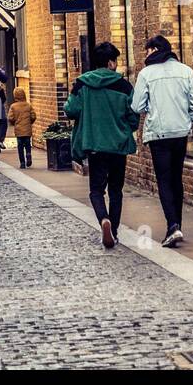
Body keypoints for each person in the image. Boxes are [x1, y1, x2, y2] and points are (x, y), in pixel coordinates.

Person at [131, 34, 193, 248]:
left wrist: (152, 109)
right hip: (180, 133)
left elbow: (137, 107)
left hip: (159, 134)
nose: (146, 55)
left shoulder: (146, 74)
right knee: (176, 178)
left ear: (154, 50)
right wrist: (186, 121)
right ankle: (178, 225)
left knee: (164, 180)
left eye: (148, 51)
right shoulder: (186, 71)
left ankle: (173, 226)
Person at [64, 42, 140, 248]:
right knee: (116, 190)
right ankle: (113, 230)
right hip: (118, 145)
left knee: (96, 190)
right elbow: (134, 117)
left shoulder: (82, 84)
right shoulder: (124, 86)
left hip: (94, 144)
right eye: (115, 61)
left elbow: (70, 110)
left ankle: (103, 219)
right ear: (110, 62)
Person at [6, 87, 37, 169]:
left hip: (18, 130)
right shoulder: (28, 105)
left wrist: (14, 123)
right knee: (27, 144)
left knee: (20, 146)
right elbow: (33, 116)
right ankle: (28, 154)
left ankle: (22, 163)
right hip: (27, 129)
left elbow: (10, 118)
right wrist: (30, 122)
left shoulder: (13, 106)